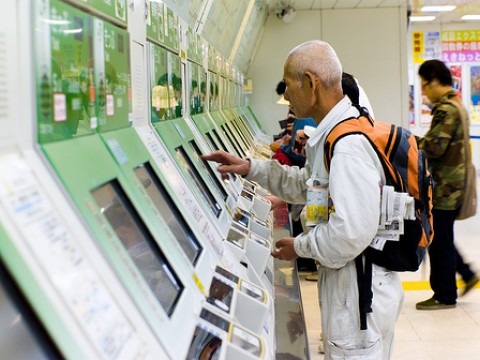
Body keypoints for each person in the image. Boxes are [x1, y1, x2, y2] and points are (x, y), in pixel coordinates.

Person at [202, 40, 404, 359]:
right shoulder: (333, 134)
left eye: (290, 85)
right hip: (352, 285)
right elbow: (310, 186)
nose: (287, 96)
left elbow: (350, 231)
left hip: (359, 292)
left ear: (311, 82)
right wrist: (251, 168)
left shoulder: (347, 145)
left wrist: (300, 247)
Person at [415, 59, 479, 310]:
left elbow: (435, 146)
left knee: (438, 240)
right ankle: (466, 273)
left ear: (433, 81)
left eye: (424, 85)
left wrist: (408, 142)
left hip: (445, 187)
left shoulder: (446, 109)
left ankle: (445, 295)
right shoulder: (457, 105)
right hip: (454, 184)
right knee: (443, 236)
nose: (424, 92)